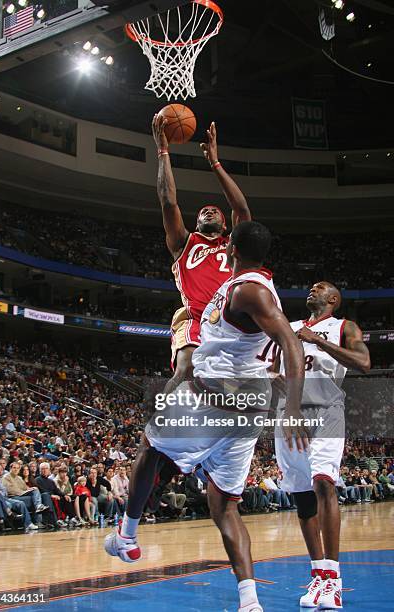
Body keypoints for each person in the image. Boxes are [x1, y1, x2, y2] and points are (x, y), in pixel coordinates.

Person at [105, 221, 306, 612]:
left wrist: (295, 407)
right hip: (245, 414)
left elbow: (290, 343)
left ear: (231, 246)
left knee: (150, 443)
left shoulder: (250, 290)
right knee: (224, 506)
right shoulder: (243, 284)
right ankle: (249, 601)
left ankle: (126, 535)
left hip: (213, 401)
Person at [274, 281, 370, 610]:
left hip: (326, 409)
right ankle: (318, 575)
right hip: (289, 412)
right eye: (312, 287)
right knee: (302, 497)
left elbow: (364, 362)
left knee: (323, 483)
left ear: (333, 299)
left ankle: (333, 580)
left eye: (320, 287)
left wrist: (319, 342)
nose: (312, 290)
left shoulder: (344, 326)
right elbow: (274, 370)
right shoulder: (291, 327)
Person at [152, 115, 251, 391]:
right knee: (185, 369)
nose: (208, 211)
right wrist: (163, 151)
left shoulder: (233, 245)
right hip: (197, 318)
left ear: (224, 224)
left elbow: (242, 210)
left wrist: (215, 164)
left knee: (232, 390)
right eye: (203, 212)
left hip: (231, 322)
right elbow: (168, 201)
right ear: (197, 223)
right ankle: (157, 431)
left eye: (215, 211)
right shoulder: (184, 242)